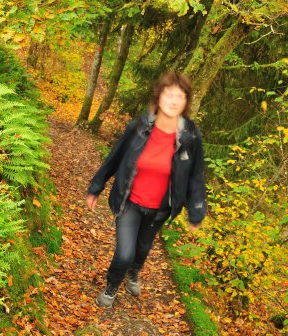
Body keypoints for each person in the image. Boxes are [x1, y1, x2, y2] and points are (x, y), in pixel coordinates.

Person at [86, 71, 207, 307]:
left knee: (142, 250)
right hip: (129, 202)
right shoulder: (139, 127)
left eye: (180, 96)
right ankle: (112, 286)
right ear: (159, 96)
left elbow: (196, 176)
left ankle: (134, 272)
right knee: (124, 253)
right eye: (169, 94)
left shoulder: (191, 138)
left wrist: (196, 212)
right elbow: (116, 156)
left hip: (160, 208)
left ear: (186, 102)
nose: (173, 100)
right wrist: (96, 187)